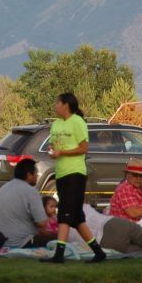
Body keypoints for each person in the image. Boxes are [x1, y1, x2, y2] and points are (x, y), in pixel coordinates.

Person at [40, 93, 107, 264]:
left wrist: (62, 152)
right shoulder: (55, 124)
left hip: (75, 173)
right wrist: (52, 149)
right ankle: (99, 252)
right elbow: (54, 144)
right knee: (76, 218)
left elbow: (84, 148)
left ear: (66, 105)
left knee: (64, 212)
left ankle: (59, 254)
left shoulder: (77, 122)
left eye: (57, 102)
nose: (55, 105)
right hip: (61, 173)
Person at [0, 158, 52, 249]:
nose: (37, 176)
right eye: (36, 173)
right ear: (29, 175)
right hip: (20, 242)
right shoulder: (31, 192)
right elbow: (42, 223)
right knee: (60, 238)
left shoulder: (3, 188)